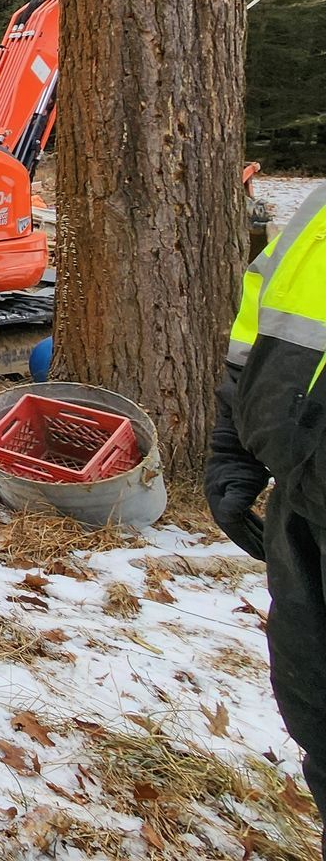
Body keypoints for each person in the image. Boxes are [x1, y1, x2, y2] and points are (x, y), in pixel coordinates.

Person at [206, 181, 326, 838]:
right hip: (303, 508)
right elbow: (263, 324)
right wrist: (236, 446)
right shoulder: (319, 209)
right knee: (316, 714)